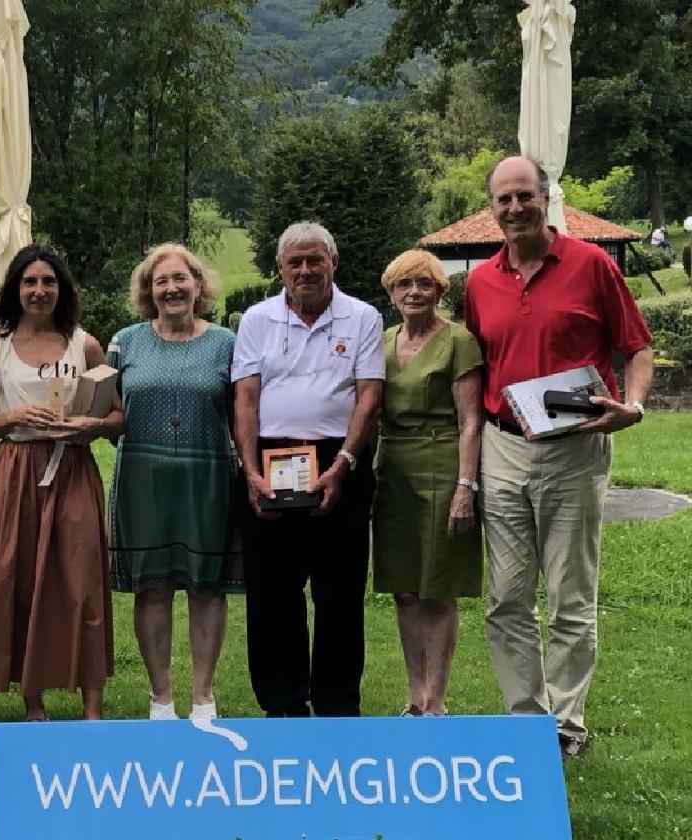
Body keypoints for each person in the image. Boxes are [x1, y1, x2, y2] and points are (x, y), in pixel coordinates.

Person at [467, 156, 653, 757]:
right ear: (491, 208)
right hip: (503, 446)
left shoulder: (591, 264)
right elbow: (480, 365)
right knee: (507, 597)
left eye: (525, 195)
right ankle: (528, 723)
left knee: (570, 594)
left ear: (547, 198)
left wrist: (636, 405)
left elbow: (637, 348)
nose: (515, 207)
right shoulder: (479, 281)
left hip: (574, 448)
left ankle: (566, 725)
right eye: (504, 200)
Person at [0, 244, 124, 721]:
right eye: (30, 281)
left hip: (72, 469)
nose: (39, 290)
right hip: (16, 472)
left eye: (48, 282)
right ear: (15, 288)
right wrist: (14, 416)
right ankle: (33, 701)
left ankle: (92, 705)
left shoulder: (85, 344)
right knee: (21, 578)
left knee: (83, 581)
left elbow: (117, 415)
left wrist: (90, 426)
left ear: (61, 289)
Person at [232, 221, 384, 718]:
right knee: (273, 592)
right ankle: (284, 703)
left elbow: (368, 396)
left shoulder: (362, 317)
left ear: (333, 263)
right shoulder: (256, 319)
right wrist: (249, 470)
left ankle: (339, 705)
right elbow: (247, 396)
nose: (305, 270)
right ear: (279, 268)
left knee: (339, 593)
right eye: (294, 262)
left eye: (314, 259)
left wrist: (344, 464)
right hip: (270, 462)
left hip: (341, 458)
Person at [106, 243, 241, 721]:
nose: (172, 288)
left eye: (180, 278)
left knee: (207, 586)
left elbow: (241, 412)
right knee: (153, 587)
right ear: (148, 291)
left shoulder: (227, 342)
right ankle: (160, 697)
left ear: (198, 284)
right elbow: (109, 414)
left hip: (209, 478)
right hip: (142, 481)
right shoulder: (125, 341)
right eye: (160, 281)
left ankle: (203, 696)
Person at [372, 249, 483, 717]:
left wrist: (465, 487)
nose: (413, 292)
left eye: (423, 284)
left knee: (437, 588)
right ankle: (414, 696)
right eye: (404, 284)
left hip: (441, 466)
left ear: (440, 290)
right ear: (391, 292)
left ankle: (436, 700)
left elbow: (471, 421)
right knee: (404, 587)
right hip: (391, 469)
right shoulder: (382, 341)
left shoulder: (459, 341)